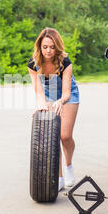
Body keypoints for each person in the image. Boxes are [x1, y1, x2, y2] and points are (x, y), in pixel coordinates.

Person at [27, 27, 80, 191]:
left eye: (52, 47)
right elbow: (39, 91)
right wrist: (42, 105)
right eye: (45, 47)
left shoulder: (65, 62)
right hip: (49, 96)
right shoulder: (33, 63)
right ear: (39, 47)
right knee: (53, 137)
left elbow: (65, 93)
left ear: (57, 46)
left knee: (65, 136)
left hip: (68, 95)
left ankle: (69, 165)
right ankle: (59, 177)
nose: (48, 51)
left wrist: (60, 102)